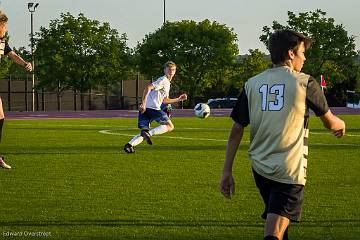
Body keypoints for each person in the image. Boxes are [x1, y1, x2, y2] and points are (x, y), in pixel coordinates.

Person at [220, 29, 345, 240]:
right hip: (289, 171)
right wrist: (341, 124)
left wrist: (226, 171)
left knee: (279, 225)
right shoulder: (305, 82)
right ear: (290, 54)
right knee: (274, 233)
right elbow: (330, 122)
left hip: (260, 169)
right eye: (302, 53)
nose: (304, 58)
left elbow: (236, 130)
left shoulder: (252, 84)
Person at [124, 61, 187, 153]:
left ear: (175, 71)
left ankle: (129, 145)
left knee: (144, 131)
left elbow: (165, 100)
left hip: (146, 109)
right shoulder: (163, 80)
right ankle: (149, 133)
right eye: (169, 69)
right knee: (170, 126)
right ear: (164, 70)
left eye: (173, 70)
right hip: (152, 108)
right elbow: (148, 87)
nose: (171, 72)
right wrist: (144, 103)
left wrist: (178, 99)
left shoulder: (167, 83)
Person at [0, 11, 33, 169]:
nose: (6, 28)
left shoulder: (2, 42)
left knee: (0, 116)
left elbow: (12, 55)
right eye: (4, 25)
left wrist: (25, 62)